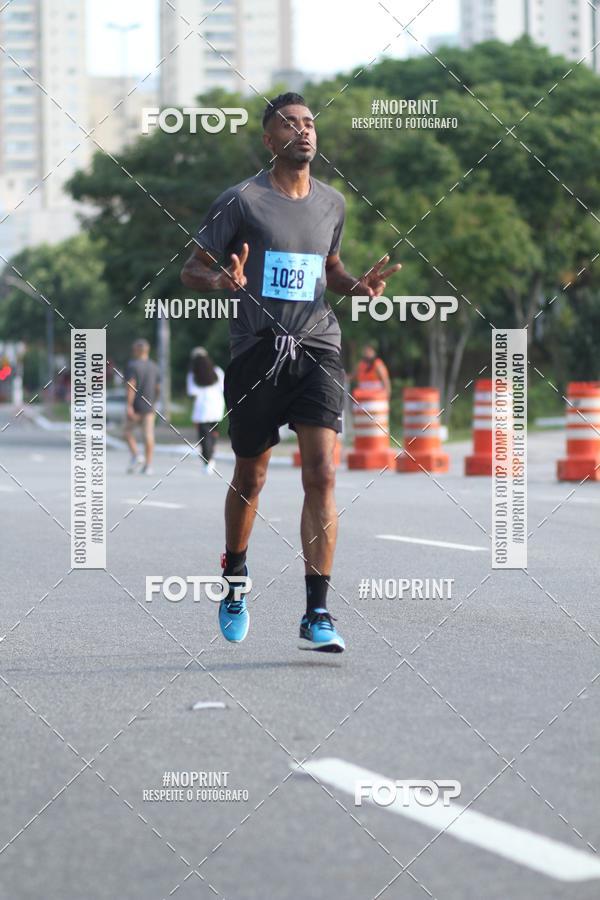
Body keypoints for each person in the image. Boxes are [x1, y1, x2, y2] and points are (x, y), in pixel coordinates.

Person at [181, 92, 401, 652]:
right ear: (268, 139)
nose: (303, 131)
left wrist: (357, 286)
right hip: (257, 351)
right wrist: (221, 281)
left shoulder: (333, 203)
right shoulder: (241, 201)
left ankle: (317, 611)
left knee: (322, 474)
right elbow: (191, 270)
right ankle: (235, 576)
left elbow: (329, 267)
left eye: (309, 123)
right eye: (289, 124)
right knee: (250, 476)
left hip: (318, 348)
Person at [124, 338, 160, 475]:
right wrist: (154, 402)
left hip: (136, 406)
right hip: (150, 407)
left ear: (137, 351)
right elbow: (158, 388)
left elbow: (131, 386)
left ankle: (136, 455)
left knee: (126, 432)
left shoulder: (132, 366)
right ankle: (148, 465)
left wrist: (129, 405)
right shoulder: (155, 366)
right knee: (149, 436)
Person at [187, 347, 224, 474]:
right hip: (217, 406)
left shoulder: (193, 374)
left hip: (201, 407)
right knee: (213, 434)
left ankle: (208, 461)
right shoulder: (217, 371)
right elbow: (223, 387)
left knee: (204, 436)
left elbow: (192, 392)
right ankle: (211, 457)